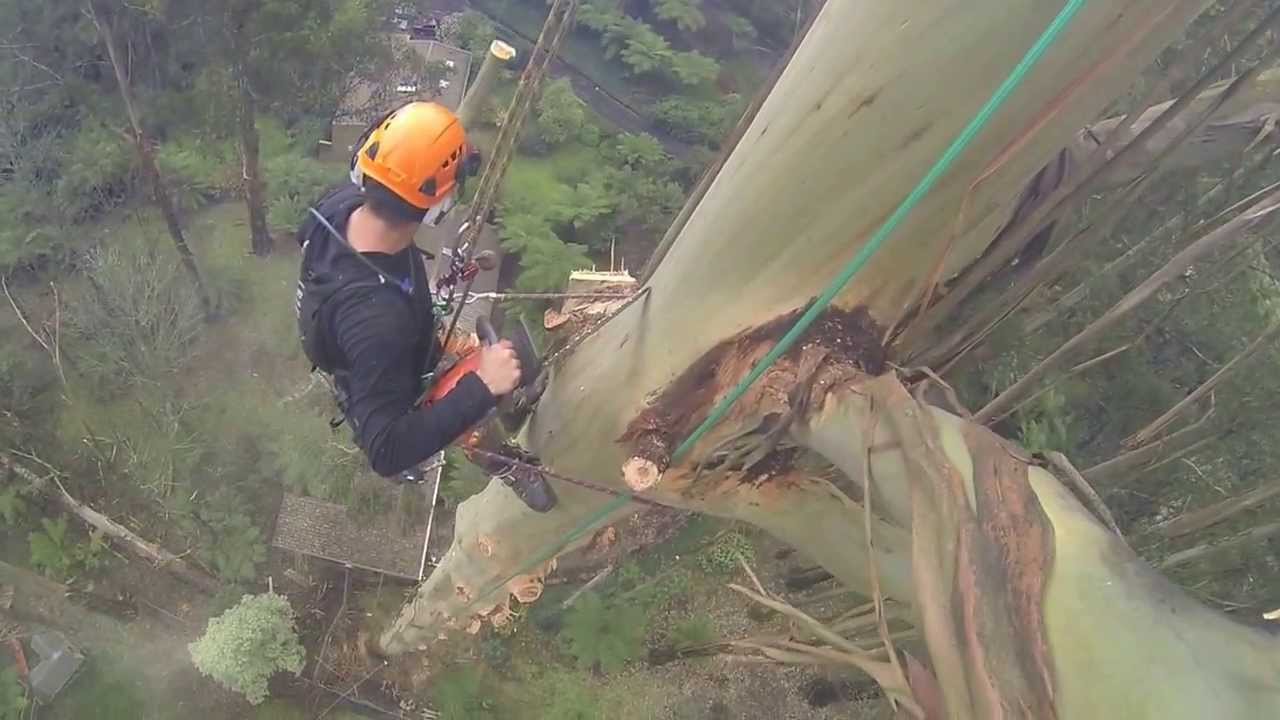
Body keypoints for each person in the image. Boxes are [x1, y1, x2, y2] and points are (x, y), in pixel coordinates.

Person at [294, 100, 557, 512]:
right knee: (482, 393)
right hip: (389, 368)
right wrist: (480, 387)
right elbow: (386, 451)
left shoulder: (339, 205)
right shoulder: (378, 324)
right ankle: (502, 459)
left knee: (520, 362)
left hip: (398, 333)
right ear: (440, 208)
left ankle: (507, 397)